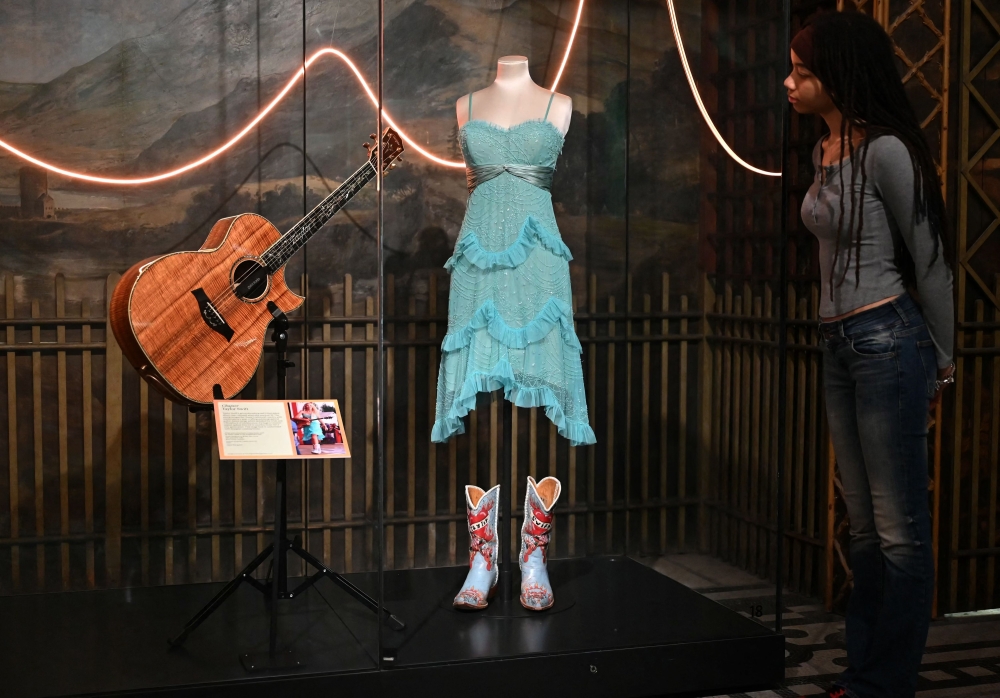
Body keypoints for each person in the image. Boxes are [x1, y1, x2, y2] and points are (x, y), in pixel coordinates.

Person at [784, 9, 955, 698]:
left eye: (803, 71)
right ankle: (864, 676)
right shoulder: (823, 152)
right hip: (839, 344)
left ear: (841, 76)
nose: (790, 82)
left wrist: (944, 357)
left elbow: (932, 258)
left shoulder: (885, 150)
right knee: (863, 529)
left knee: (899, 532)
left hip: (887, 338)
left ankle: (887, 683)